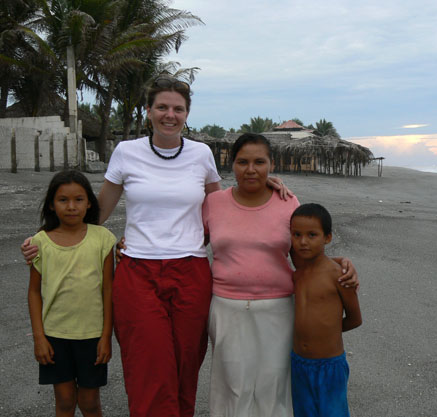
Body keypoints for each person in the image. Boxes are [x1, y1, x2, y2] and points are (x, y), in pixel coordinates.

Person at [21, 75, 291, 417]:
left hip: (191, 271)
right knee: (149, 366)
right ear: (148, 110)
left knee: (185, 364)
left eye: (178, 108)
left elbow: (222, 206)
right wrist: (45, 238)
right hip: (138, 272)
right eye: (162, 106)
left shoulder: (201, 154)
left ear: (187, 113)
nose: (170, 114)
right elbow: (96, 212)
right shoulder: (126, 152)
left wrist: (262, 181)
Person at [202, 134, 359, 417]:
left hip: (278, 308)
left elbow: (305, 256)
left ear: (271, 164)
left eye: (259, 162)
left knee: (274, 384)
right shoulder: (213, 203)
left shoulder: (287, 202)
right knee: (232, 384)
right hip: (227, 308)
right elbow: (188, 244)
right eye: (243, 162)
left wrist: (340, 263)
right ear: (231, 164)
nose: (251, 169)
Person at [27, 170, 116, 417]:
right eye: (63, 200)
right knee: (64, 401)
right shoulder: (40, 242)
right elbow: (34, 292)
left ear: (89, 203)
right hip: (54, 335)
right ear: (52, 205)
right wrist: (39, 338)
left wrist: (106, 336)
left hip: (92, 336)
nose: (71, 206)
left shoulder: (103, 239)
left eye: (78, 199)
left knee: (89, 402)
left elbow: (109, 289)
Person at [289, 203, 362, 417]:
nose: (303, 241)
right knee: (303, 412)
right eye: (297, 234)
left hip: (329, 365)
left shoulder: (338, 275)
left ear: (327, 237)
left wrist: (326, 333)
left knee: (332, 412)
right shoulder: (297, 273)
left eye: (312, 235)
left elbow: (355, 319)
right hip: (298, 362)